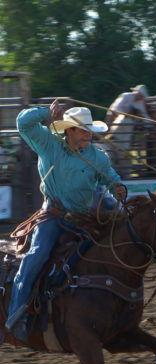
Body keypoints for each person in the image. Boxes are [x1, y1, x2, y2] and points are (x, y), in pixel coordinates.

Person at [5, 101, 126, 341]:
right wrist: (47, 113)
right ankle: (17, 313)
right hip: (54, 216)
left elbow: (111, 179)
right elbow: (22, 122)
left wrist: (118, 187)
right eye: (83, 130)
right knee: (37, 255)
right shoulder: (49, 144)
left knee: (114, 250)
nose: (89, 134)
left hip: (84, 219)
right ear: (68, 130)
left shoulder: (97, 157)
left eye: (89, 130)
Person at [104, 84, 152, 176]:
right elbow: (115, 110)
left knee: (122, 146)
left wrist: (149, 122)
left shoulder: (140, 102)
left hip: (126, 125)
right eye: (141, 95)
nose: (141, 97)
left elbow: (144, 114)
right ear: (137, 93)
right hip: (115, 119)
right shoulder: (126, 96)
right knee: (116, 145)